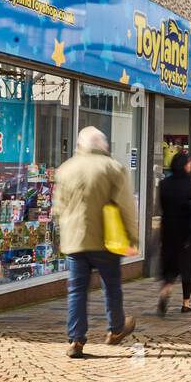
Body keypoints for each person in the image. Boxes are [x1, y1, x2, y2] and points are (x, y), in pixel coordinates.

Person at [54, 126, 138, 358]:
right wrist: (132, 237)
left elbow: (58, 207)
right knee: (111, 286)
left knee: (77, 290)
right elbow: (126, 207)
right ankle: (116, 329)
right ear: (104, 146)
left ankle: (76, 340)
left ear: (80, 145)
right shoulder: (113, 168)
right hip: (106, 241)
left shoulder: (66, 169)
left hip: (75, 241)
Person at [157, 151, 191, 316]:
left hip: (169, 230)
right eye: (189, 163)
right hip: (188, 233)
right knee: (187, 267)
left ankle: (165, 290)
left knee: (170, 265)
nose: (190, 166)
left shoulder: (164, 184)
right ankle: (186, 303)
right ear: (184, 165)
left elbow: (161, 206)